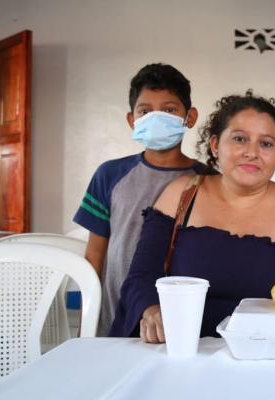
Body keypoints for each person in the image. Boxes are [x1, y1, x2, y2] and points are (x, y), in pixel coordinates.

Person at [110, 91, 275, 341]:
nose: (251, 152)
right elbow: (141, 277)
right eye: (239, 139)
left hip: (270, 351)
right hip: (180, 345)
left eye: (266, 143)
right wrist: (151, 311)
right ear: (215, 145)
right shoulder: (181, 194)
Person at [73, 63, 209, 335]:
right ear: (131, 119)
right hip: (114, 321)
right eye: (145, 111)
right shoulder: (109, 175)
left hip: (182, 322)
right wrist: (85, 325)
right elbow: (94, 255)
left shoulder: (208, 181)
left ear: (190, 117)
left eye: (169, 110)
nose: (156, 118)